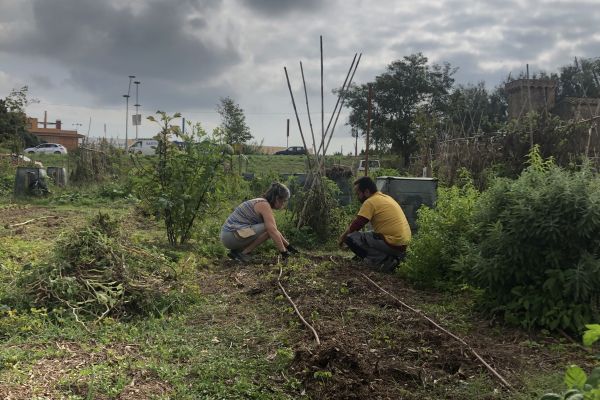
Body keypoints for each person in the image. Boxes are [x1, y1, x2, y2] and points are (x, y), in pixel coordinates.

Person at [338, 176, 411, 272]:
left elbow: (356, 225)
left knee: (350, 238)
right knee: (369, 234)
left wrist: (342, 239)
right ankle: (392, 258)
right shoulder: (386, 198)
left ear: (367, 192)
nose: (357, 197)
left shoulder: (370, 202)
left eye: (358, 193)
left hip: (393, 243)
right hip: (403, 243)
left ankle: (385, 262)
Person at [221, 182, 295, 262]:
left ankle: (239, 252)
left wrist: (289, 247)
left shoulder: (261, 202)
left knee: (269, 229)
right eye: (283, 201)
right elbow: (272, 230)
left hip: (230, 235)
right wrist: (284, 252)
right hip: (230, 236)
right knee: (268, 228)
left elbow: (274, 230)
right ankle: (243, 253)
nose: (283, 205)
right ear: (277, 198)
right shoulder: (263, 205)